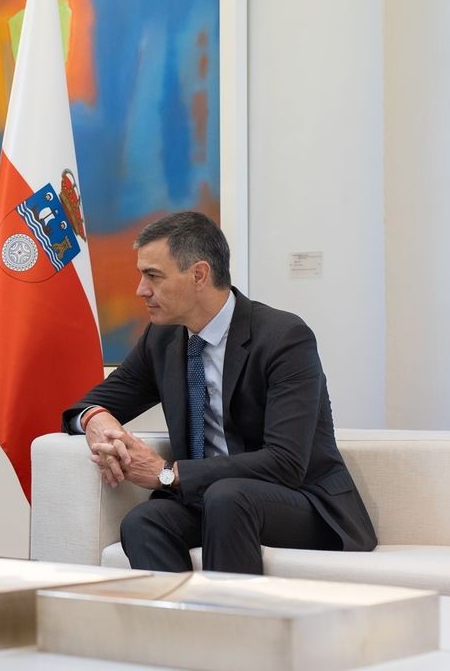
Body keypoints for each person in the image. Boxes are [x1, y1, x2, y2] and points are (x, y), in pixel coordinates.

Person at [64, 212, 376, 574]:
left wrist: (170, 473)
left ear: (199, 274)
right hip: (214, 500)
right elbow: (89, 404)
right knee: (144, 521)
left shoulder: (283, 337)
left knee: (227, 497)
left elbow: (285, 463)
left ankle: (233, 626)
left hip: (304, 502)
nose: (140, 290)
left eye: (153, 276)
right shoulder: (162, 339)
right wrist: (96, 420)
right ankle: (182, 627)